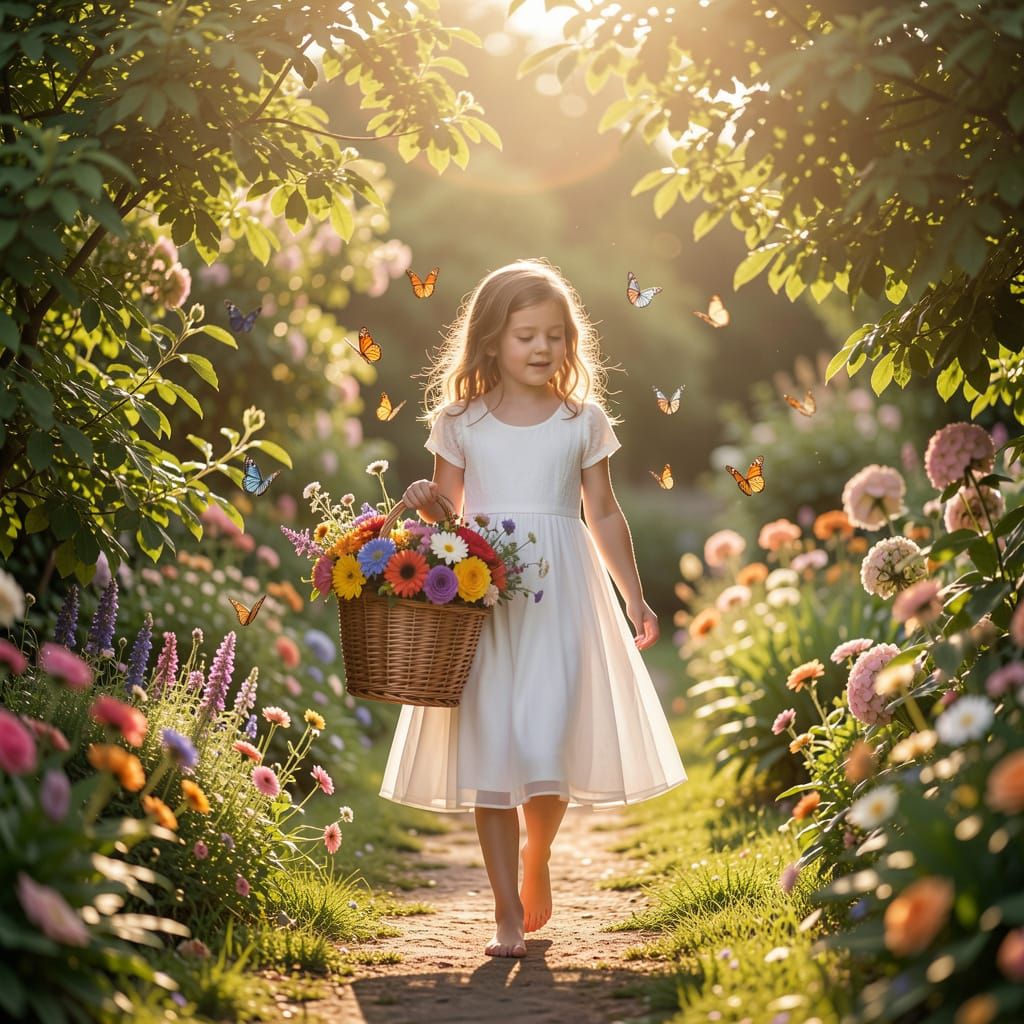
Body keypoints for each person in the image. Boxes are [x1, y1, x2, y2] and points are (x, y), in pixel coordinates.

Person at [382, 258, 687, 958]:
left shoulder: (583, 420)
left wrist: (633, 596)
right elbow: (446, 516)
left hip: (561, 596)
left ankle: (538, 852)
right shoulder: (459, 420)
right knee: (493, 752)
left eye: (555, 334)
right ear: (492, 340)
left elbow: (603, 512)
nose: (542, 348)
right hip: (481, 598)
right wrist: (425, 505)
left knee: (547, 746)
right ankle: (504, 916)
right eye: (525, 335)